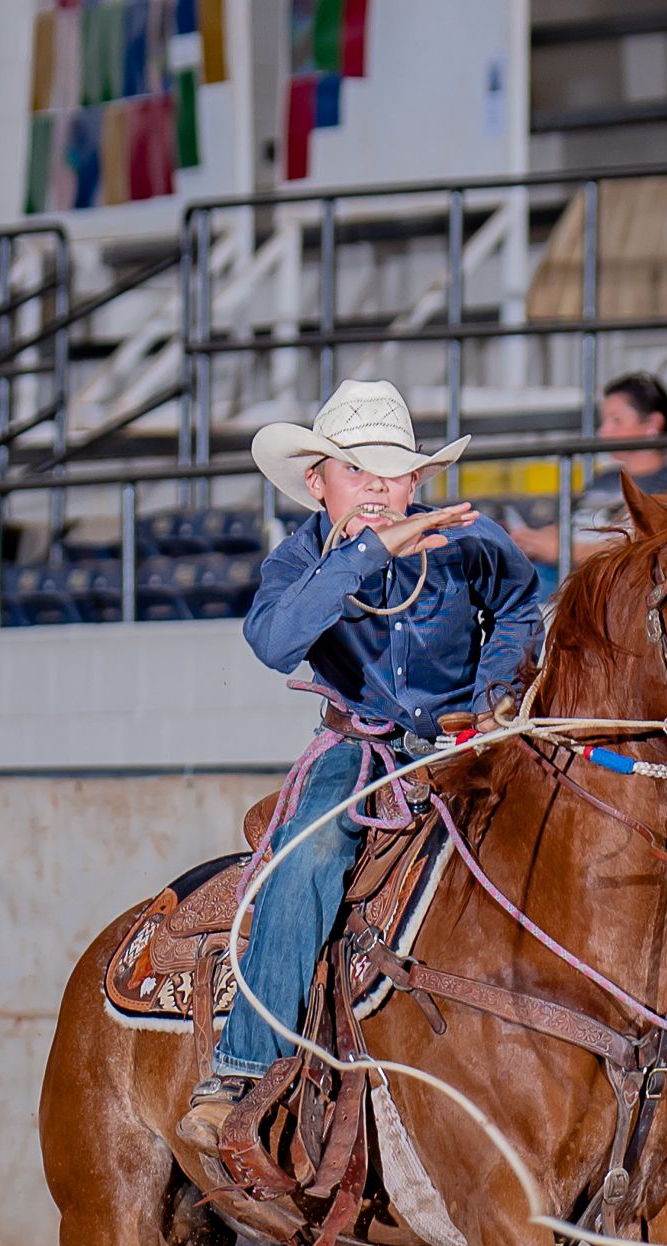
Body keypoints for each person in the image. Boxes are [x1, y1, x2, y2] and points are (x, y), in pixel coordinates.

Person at [176, 379, 539, 1155]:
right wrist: (370, 554)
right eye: (356, 470)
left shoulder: (470, 539)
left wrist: (494, 695)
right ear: (317, 483)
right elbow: (274, 642)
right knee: (308, 856)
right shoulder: (298, 560)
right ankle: (243, 1069)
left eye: (394, 473)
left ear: (416, 482)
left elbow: (516, 607)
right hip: (359, 748)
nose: (377, 487)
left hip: (464, 741)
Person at [512, 372, 667, 574]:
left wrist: (564, 551)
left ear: (653, 423)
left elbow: (644, 550)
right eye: (605, 421)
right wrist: (533, 539)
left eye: (616, 420)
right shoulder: (604, 479)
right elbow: (569, 524)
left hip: (595, 578)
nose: (603, 431)